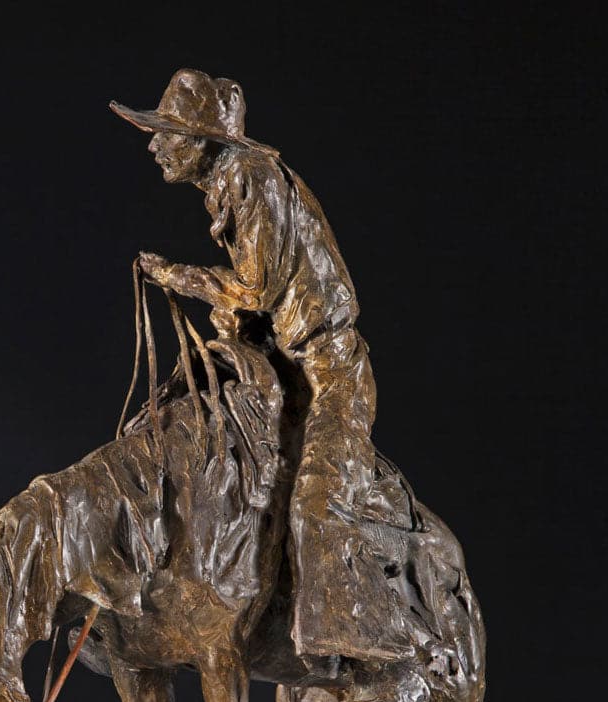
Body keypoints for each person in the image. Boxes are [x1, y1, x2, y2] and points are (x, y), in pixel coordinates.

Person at [111, 69, 414, 664]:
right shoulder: (228, 186)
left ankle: (361, 634)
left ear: (202, 141)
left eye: (167, 134)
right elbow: (256, 303)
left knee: (317, 500)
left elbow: (256, 287)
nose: (155, 146)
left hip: (328, 372)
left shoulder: (252, 177)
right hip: (281, 360)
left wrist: (177, 276)